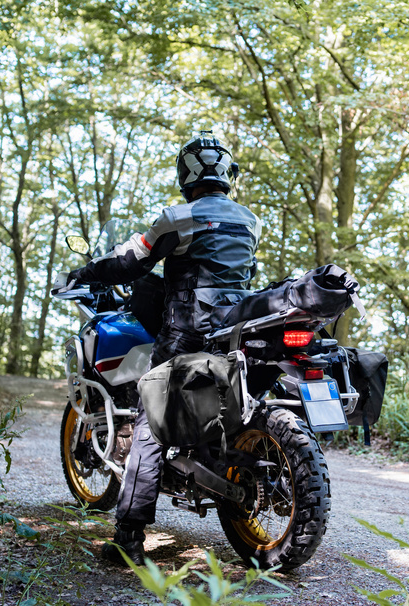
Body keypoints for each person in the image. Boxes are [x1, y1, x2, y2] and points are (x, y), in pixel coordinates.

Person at [66, 131, 262, 566]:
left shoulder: (178, 217)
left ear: (186, 174)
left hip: (187, 330)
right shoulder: (250, 220)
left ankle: (129, 536)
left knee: (148, 420)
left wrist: (86, 271)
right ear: (226, 172)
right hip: (235, 326)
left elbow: (130, 261)